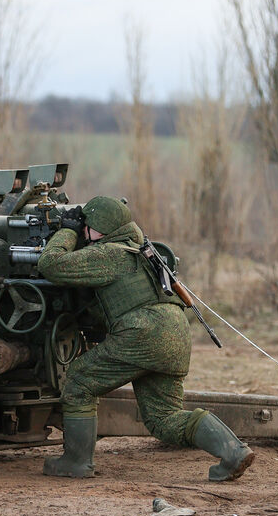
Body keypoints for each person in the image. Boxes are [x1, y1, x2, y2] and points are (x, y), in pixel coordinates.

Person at [36, 195, 255, 481]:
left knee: (78, 382)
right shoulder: (141, 252)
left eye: (86, 226)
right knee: (164, 419)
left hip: (144, 333)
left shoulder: (109, 254)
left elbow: (50, 264)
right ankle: (233, 452)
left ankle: (76, 462)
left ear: (100, 229)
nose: (84, 231)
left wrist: (66, 230)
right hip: (175, 333)